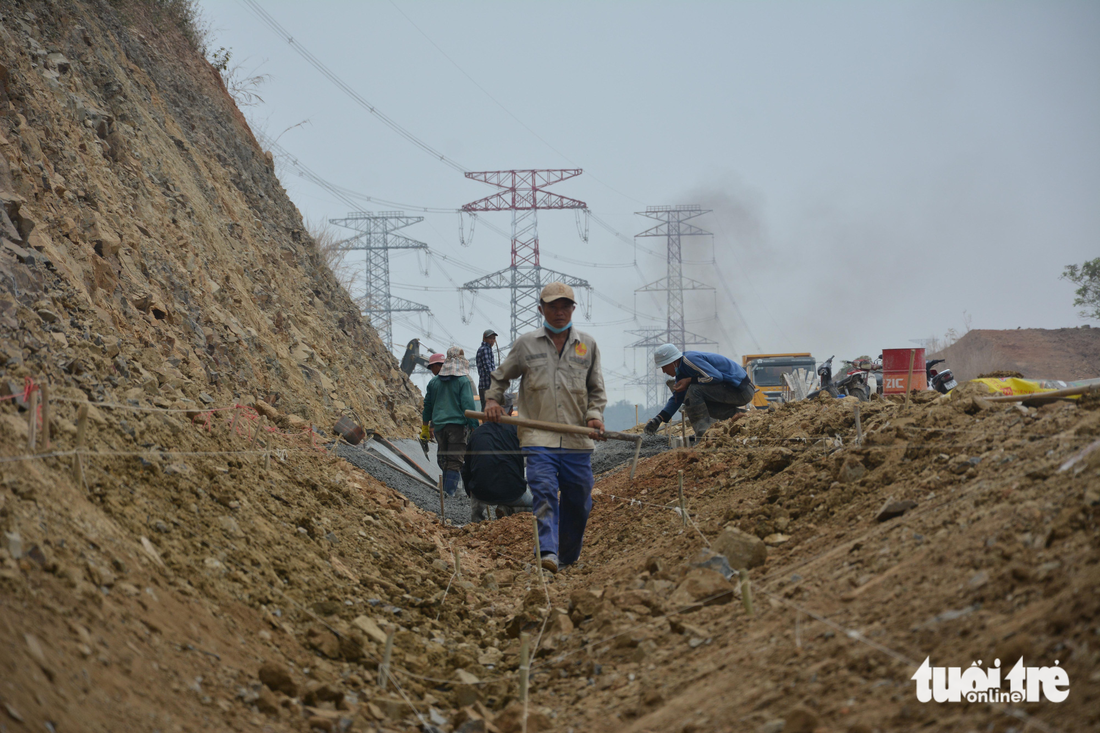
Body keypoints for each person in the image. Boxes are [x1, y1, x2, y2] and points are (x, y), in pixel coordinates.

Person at [484, 282, 607, 574]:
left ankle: (567, 555)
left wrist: (594, 415)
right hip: (538, 437)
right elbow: (500, 378)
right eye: (552, 306)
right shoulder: (526, 344)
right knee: (544, 490)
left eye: (565, 306)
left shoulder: (586, 345)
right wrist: (492, 400)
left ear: (573, 309)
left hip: (577, 439)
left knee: (579, 500)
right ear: (541, 309)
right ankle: (548, 552)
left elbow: (596, 389)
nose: (559, 312)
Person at [644, 344, 755, 438]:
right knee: (694, 401)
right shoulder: (681, 372)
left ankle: (703, 436)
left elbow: (716, 377)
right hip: (733, 391)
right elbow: (677, 397)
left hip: (741, 389)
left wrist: (690, 380)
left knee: (693, 390)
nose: (663, 371)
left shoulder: (689, 360)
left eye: (664, 366)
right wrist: (660, 418)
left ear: (672, 362)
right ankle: (743, 416)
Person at [462, 394, 533, 522]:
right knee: (537, 505)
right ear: (510, 411)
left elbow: (466, 469)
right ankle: (508, 509)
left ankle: (476, 524)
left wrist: (471, 492)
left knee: (476, 499)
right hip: (512, 492)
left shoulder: (477, 433)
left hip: (481, 492)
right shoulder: (517, 430)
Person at [421, 347, 479, 497]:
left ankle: (445, 493)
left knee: (444, 459)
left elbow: (427, 406)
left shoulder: (434, 382)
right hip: (457, 427)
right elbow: (468, 406)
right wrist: (474, 426)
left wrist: (425, 428)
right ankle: (448, 494)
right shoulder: (463, 381)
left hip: (439, 427)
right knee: (455, 460)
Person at [475, 329, 498, 406]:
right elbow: (487, 367)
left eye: (493, 338)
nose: (492, 340)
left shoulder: (483, 349)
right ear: (484, 339)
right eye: (490, 338)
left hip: (483, 385)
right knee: (489, 409)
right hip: (487, 385)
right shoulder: (485, 349)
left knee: (486, 409)